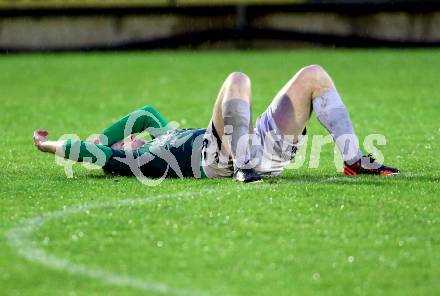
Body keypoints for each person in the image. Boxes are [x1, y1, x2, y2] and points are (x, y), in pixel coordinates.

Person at [33, 65, 399, 183]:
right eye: (121, 143)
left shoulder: (161, 134)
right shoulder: (140, 160)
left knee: (313, 75)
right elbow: (87, 151)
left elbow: (143, 114)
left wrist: (106, 133)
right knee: (237, 79)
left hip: (258, 148)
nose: (132, 138)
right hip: (218, 158)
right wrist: (48, 145)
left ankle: (353, 160)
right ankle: (243, 167)